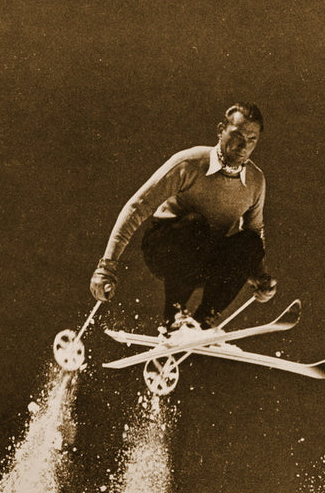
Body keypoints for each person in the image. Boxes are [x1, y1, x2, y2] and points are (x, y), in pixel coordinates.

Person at [89, 102, 277, 329]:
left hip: (205, 258)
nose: (243, 146)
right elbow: (136, 207)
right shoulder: (190, 163)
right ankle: (174, 316)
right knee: (195, 224)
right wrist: (106, 267)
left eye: (251, 139)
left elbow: (254, 232)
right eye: (236, 135)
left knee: (250, 242)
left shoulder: (256, 181)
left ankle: (203, 322)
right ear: (220, 131)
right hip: (166, 247)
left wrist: (259, 275)